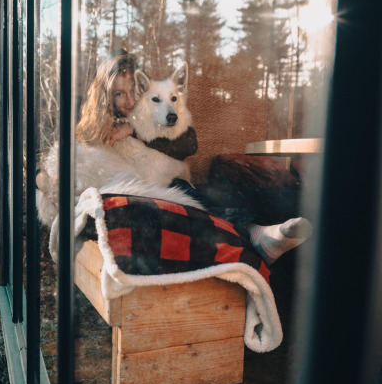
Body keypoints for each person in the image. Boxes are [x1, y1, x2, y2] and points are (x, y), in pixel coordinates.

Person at [62, 50, 312, 265]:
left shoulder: (144, 115)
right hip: (130, 188)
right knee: (184, 192)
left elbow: (188, 142)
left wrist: (136, 131)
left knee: (196, 189)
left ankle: (255, 233)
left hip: (161, 182)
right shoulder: (92, 127)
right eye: (119, 94)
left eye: (132, 92)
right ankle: (254, 235)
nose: (129, 101)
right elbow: (63, 160)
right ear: (104, 95)